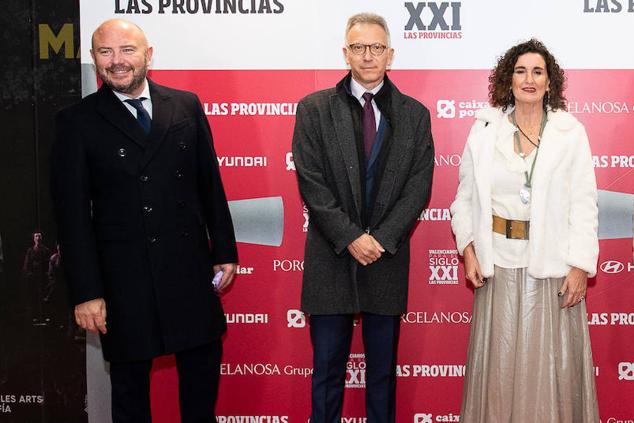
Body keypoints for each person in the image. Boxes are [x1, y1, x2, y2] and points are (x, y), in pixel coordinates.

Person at [51, 19, 238, 423]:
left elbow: (209, 183)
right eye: (105, 52)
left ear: (148, 55)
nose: (117, 61)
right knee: (131, 395)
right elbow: (71, 216)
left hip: (188, 271)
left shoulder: (185, 104)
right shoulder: (77, 121)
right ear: (94, 59)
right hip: (123, 280)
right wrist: (86, 292)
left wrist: (223, 249)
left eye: (127, 50)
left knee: (201, 386)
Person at [292, 12, 434, 423]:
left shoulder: (415, 114)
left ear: (391, 54)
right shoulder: (314, 109)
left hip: (386, 261)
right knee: (327, 376)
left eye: (376, 47)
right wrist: (351, 236)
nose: (367, 56)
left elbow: (418, 187)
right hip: (331, 259)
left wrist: (383, 238)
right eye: (358, 47)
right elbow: (311, 183)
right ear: (345, 53)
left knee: (383, 378)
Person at [450, 39, 599, 422]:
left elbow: (584, 203)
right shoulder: (485, 129)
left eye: (537, 71)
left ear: (550, 82)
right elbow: (464, 198)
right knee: (498, 371)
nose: (528, 79)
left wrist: (581, 265)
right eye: (520, 71)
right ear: (508, 79)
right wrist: (468, 250)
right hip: (496, 265)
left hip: (552, 269)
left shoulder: (570, 132)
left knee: (550, 374)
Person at [22, 231, 52, 324]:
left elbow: (49, 264)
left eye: (39, 236)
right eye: (36, 236)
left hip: (43, 277)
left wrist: (48, 274)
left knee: (44, 296)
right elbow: (26, 264)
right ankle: (34, 316)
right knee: (34, 297)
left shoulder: (46, 250)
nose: (38, 238)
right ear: (34, 238)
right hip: (33, 277)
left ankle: (45, 316)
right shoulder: (30, 250)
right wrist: (28, 273)